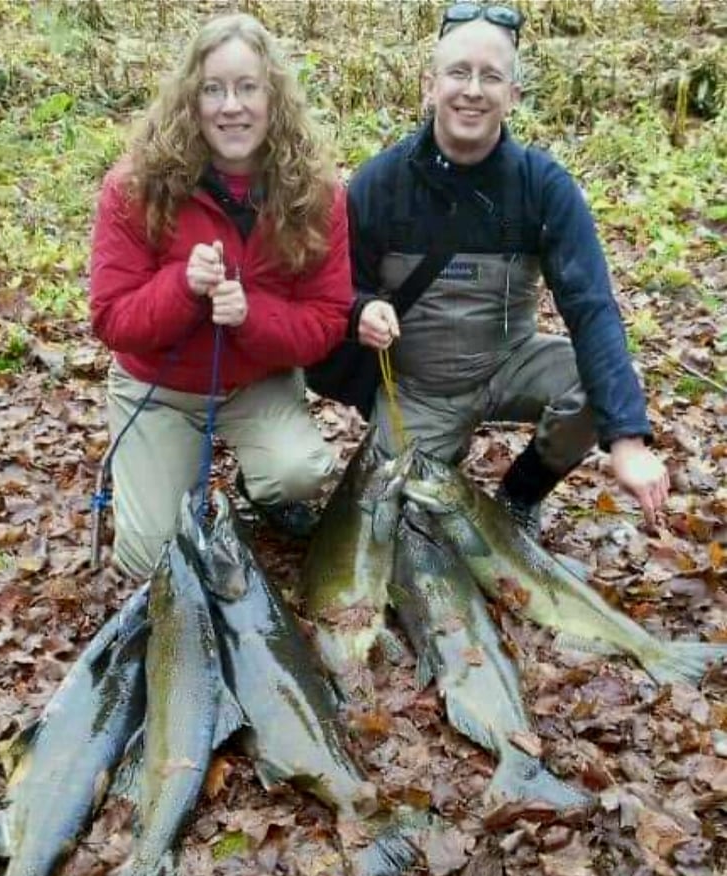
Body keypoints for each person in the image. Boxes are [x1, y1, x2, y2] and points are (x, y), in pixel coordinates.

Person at [346, 2, 669, 537]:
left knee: (603, 387)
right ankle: (437, 452)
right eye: (458, 72)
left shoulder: (543, 186)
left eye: (491, 76)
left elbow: (591, 308)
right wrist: (362, 309)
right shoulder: (379, 184)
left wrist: (628, 440)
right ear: (430, 86)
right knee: (398, 525)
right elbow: (339, 289)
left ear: (513, 96)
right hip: (420, 388)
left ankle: (519, 498)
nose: (472, 90)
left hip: (510, 361)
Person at [89, 13, 352, 578]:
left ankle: (258, 489)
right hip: (158, 389)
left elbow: (327, 321)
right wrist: (181, 285)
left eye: (247, 87)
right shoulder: (134, 188)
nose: (231, 106)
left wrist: (251, 316)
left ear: (273, 97)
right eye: (213, 89)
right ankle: (147, 469)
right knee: (150, 561)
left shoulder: (318, 194)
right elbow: (112, 319)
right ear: (192, 100)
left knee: (302, 471)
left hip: (255, 380)